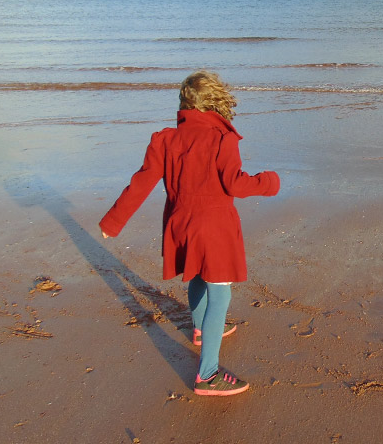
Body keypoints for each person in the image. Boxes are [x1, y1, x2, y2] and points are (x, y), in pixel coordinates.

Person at [99, 70, 280, 396]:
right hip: (214, 228)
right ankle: (207, 374)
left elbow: (141, 183)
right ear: (217, 103)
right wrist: (268, 182)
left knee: (197, 276)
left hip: (181, 224)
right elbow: (235, 184)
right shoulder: (222, 139)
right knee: (220, 292)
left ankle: (200, 329)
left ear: (184, 105)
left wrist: (113, 222)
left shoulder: (165, 139)